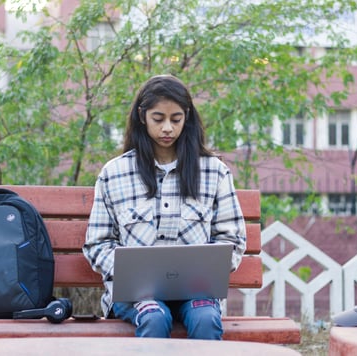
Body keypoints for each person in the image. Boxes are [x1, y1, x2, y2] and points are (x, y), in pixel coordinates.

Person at [83, 74, 246, 339]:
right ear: (142, 116)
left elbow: (233, 239)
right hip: (136, 294)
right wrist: (127, 269)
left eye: (176, 119)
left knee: (205, 318)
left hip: (196, 291)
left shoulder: (214, 172)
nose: (167, 128)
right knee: (154, 317)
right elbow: (97, 244)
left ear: (187, 117)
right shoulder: (114, 173)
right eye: (158, 119)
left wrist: (211, 266)